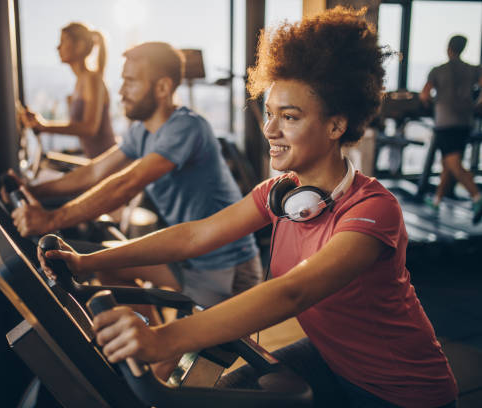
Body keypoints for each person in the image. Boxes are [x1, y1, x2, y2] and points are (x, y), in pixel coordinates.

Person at [41, 8, 458, 408]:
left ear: (336, 125)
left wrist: (162, 340)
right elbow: (194, 235)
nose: (270, 130)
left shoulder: (372, 210)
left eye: (289, 117)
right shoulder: (279, 193)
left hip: (400, 390)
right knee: (221, 396)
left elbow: (292, 291)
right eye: (269, 113)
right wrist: (85, 261)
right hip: (330, 358)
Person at [15, 41, 262, 309]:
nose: (121, 91)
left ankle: (157, 347)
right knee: (111, 268)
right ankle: (149, 345)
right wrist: (34, 191)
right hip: (187, 258)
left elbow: (127, 184)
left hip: (226, 268)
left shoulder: (187, 127)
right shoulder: (141, 131)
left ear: (163, 88)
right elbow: (95, 170)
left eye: (130, 82)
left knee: (195, 347)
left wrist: (52, 219)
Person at [21, 22, 116, 159]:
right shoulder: (79, 82)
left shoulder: (92, 79)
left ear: (79, 46)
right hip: (94, 160)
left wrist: (44, 126)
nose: (58, 47)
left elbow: (89, 128)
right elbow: (77, 127)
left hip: (107, 162)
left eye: (63, 41)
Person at [420, 34, 482, 224]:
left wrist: (431, 104)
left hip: (445, 121)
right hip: (465, 121)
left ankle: (477, 197)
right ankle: (437, 200)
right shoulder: (472, 70)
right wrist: (477, 103)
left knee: (452, 162)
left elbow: (424, 95)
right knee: (449, 163)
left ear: (449, 48)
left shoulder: (438, 70)